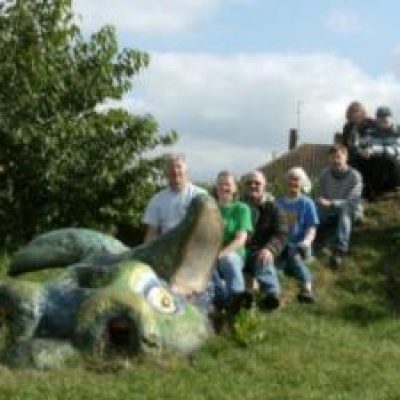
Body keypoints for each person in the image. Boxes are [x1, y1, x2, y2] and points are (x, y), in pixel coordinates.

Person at [242, 170, 288, 311]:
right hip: (240, 250)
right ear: (244, 186)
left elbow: (281, 233)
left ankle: (271, 296)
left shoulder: (275, 209)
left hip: (260, 251)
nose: (253, 186)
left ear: (264, 186)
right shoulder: (238, 206)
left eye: (257, 183)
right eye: (249, 183)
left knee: (263, 259)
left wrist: (270, 249)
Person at [276, 167, 319, 303]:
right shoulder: (278, 203)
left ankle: (307, 288)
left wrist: (306, 242)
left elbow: (312, 227)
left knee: (293, 256)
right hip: (281, 245)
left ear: (302, 183)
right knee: (277, 266)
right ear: (286, 181)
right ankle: (274, 291)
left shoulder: (307, 203)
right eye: (291, 179)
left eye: (296, 179)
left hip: (300, 246)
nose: (293, 182)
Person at [316, 145, 363, 268]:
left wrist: (332, 203)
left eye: (338, 157)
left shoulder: (355, 176)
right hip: (328, 209)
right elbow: (320, 195)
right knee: (313, 211)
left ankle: (340, 250)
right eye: (332, 158)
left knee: (345, 210)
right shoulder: (324, 174)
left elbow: (352, 201)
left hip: (349, 209)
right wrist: (320, 201)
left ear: (346, 158)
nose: (335, 160)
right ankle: (309, 241)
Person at [142, 153, 206, 242]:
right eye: (171, 168)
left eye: (178, 167)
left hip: (193, 245)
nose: (175, 171)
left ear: (186, 171)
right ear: (166, 173)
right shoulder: (157, 199)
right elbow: (151, 232)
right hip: (166, 247)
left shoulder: (200, 195)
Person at [213, 171, 253, 309]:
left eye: (228, 184)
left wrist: (221, 254)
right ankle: (223, 300)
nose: (224, 188)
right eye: (221, 184)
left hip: (234, 253)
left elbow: (241, 239)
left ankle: (237, 297)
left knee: (228, 259)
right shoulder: (209, 208)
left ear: (235, 188)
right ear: (216, 187)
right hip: (210, 253)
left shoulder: (242, 209)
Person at [355, 106, 400, 200]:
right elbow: (361, 145)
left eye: (385, 118)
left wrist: (373, 150)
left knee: (387, 160)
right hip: (374, 164)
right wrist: (363, 151)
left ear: (391, 118)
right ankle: (362, 190)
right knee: (357, 159)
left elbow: (395, 151)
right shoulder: (370, 132)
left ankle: (376, 192)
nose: (382, 120)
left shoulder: (398, 132)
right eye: (379, 118)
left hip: (393, 168)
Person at [341, 101, 375, 166]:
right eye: (352, 112)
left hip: (367, 151)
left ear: (362, 112)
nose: (354, 114)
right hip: (352, 153)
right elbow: (344, 143)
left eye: (357, 111)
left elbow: (373, 139)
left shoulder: (370, 123)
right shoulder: (347, 126)